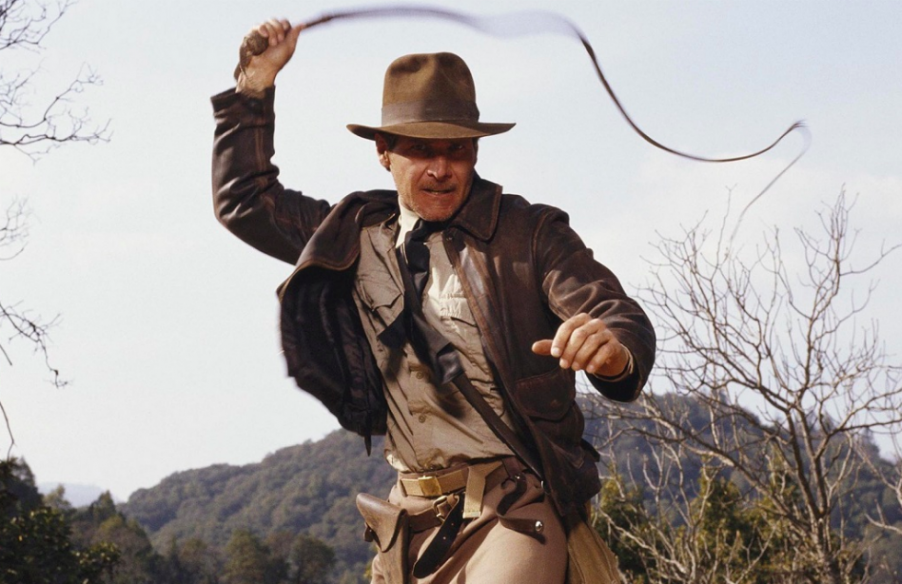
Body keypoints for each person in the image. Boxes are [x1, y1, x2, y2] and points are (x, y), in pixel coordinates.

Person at [212, 18, 655, 584]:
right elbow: (245, 202)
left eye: (458, 151)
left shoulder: (529, 235)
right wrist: (254, 87)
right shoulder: (350, 237)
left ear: (475, 152)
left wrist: (611, 351)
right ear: (384, 152)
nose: (442, 170)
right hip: (409, 523)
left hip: (513, 514)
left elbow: (616, 314)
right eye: (422, 151)